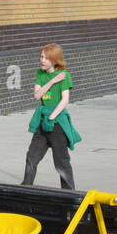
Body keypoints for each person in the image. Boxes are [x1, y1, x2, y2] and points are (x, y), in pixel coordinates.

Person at [23, 44, 81, 189]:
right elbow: (37, 95)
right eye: (41, 56)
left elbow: (65, 100)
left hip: (57, 125)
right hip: (42, 123)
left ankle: (69, 193)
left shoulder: (64, 75)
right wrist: (52, 81)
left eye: (45, 58)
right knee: (31, 158)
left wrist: (51, 118)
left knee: (61, 162)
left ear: (54, 60)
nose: (42, 60)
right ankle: (26, 187)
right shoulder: (40, 73)